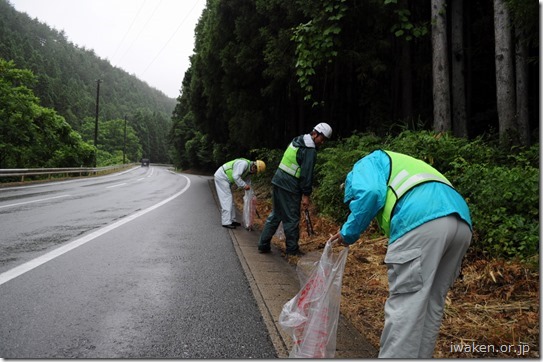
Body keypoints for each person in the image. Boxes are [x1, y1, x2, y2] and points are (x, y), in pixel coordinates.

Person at [330, 149, 472, 358]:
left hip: (420, 219)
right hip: (461, 222)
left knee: (407, 304)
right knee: (432, 304)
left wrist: (347, 233)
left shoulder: (365, 164)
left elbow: (369, 193)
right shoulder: (400, 163)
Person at [258, 123, 333, 256]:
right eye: (322, 139)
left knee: (276, 214)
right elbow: (306, 174)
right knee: (292, 218)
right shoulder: (309, 149)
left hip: (278, 180)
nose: (322, 142)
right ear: (315, 134)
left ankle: (263, 244)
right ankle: (292, 250)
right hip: (289, 186)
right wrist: (306, 195)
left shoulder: (297, 140)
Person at [214, 158, 266, 229]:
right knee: (226, 199)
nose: (255, 173)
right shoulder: (243, 164)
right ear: (254, 167)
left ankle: (232, 220)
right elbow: (236, 176)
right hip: (222, 177)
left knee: (230, 200)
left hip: (226, 179)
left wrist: (251, 193)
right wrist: (244, 186)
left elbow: (248, 183)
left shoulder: (248, 171)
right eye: (256, 171)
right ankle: (226, 222)